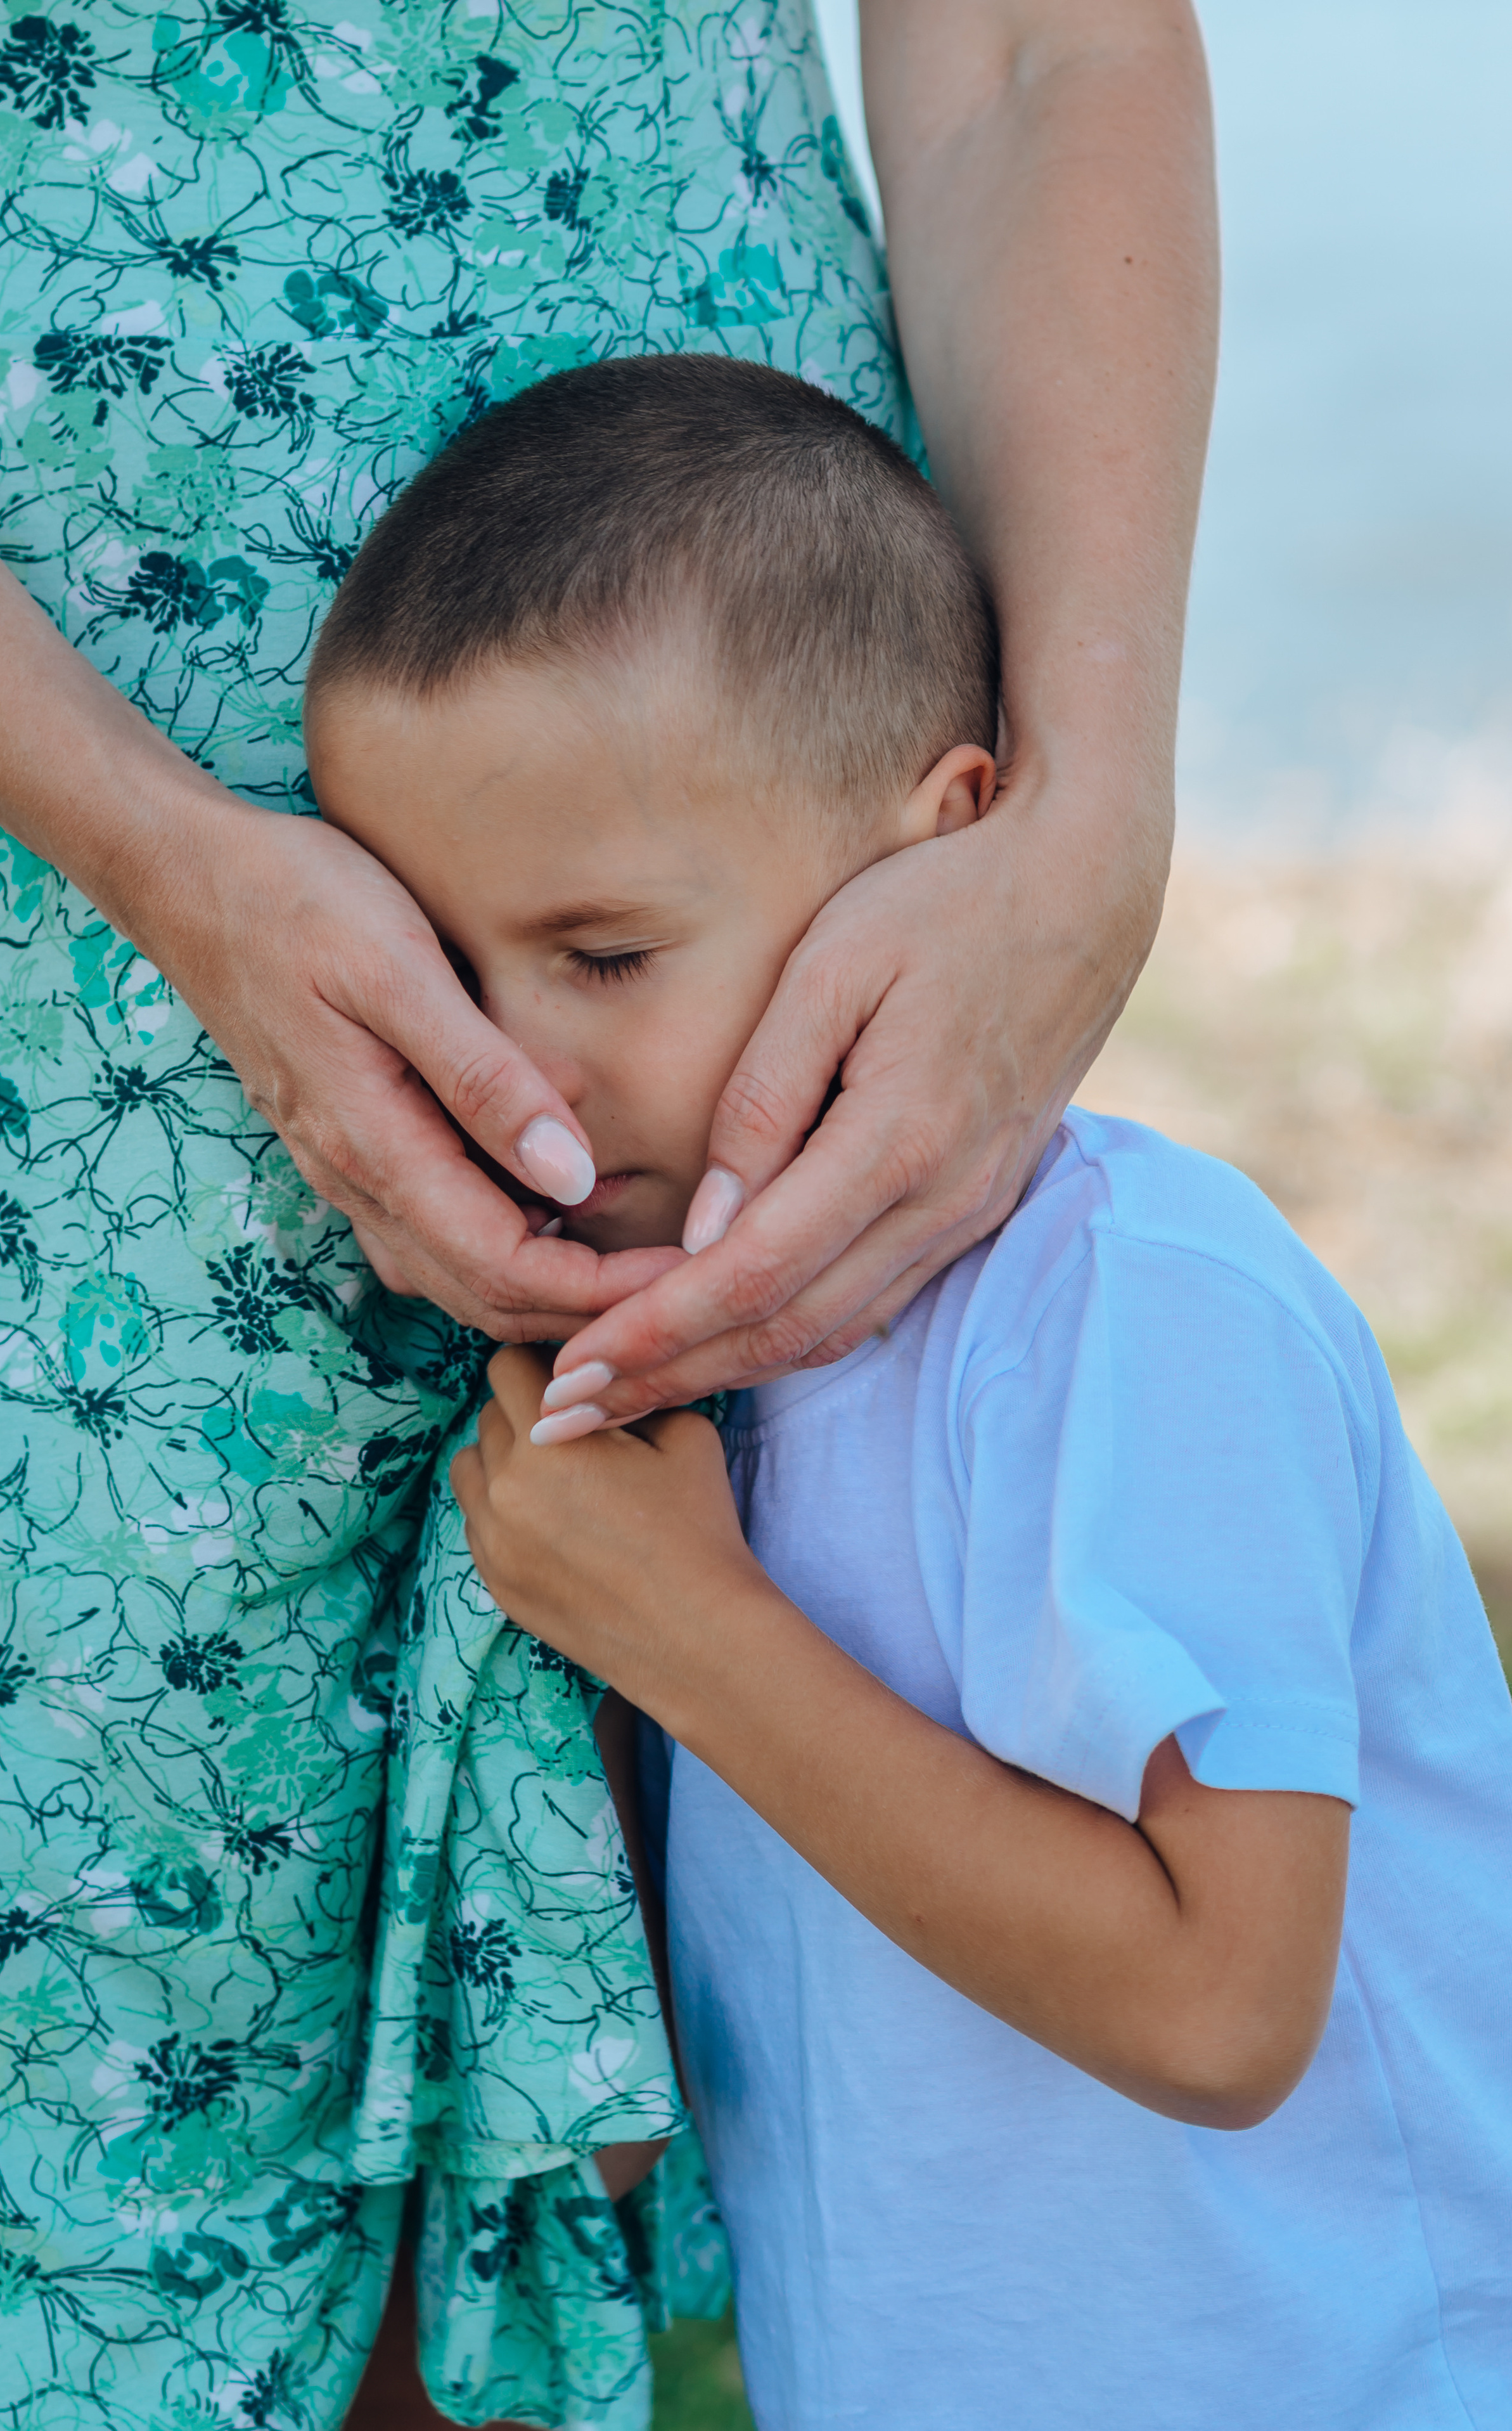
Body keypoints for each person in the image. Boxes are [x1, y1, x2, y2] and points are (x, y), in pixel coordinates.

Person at [0, 2, 1215, 2420]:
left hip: (760, 847)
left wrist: (1085, 831)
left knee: (594, 2141)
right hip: (2, 1037)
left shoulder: (1172, 1313)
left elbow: (1038, 38)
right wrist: (147, 842)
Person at [304, 352, 1512, 2430]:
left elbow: (1225, 2008)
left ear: (934, 847)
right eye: (450, 966)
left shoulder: (1144, 1303)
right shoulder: (694, 1378)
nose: (517, 1074)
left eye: (601, 958)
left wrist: (687, 1637)